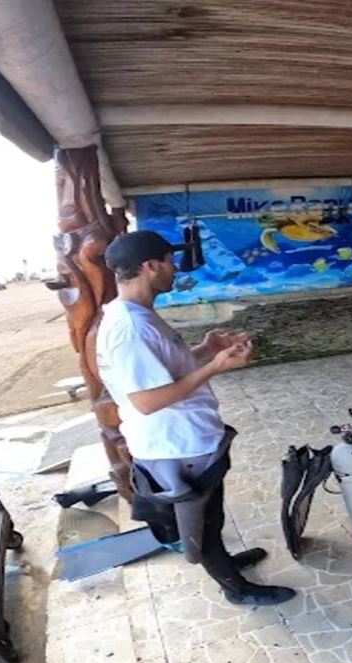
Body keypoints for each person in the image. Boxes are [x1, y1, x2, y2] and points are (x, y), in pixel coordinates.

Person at [95, 230, 295, 605]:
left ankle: (226, 564)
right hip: (173, 445)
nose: (175, 268)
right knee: (202, 524)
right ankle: (236, 589)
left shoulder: (138, 316)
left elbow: (165, 371)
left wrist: (205, 349)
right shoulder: (130, 327)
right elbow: (147, 401)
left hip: (186, 439)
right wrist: (216, 366)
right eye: (170, 261)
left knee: (211, 516)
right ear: (150, 266)